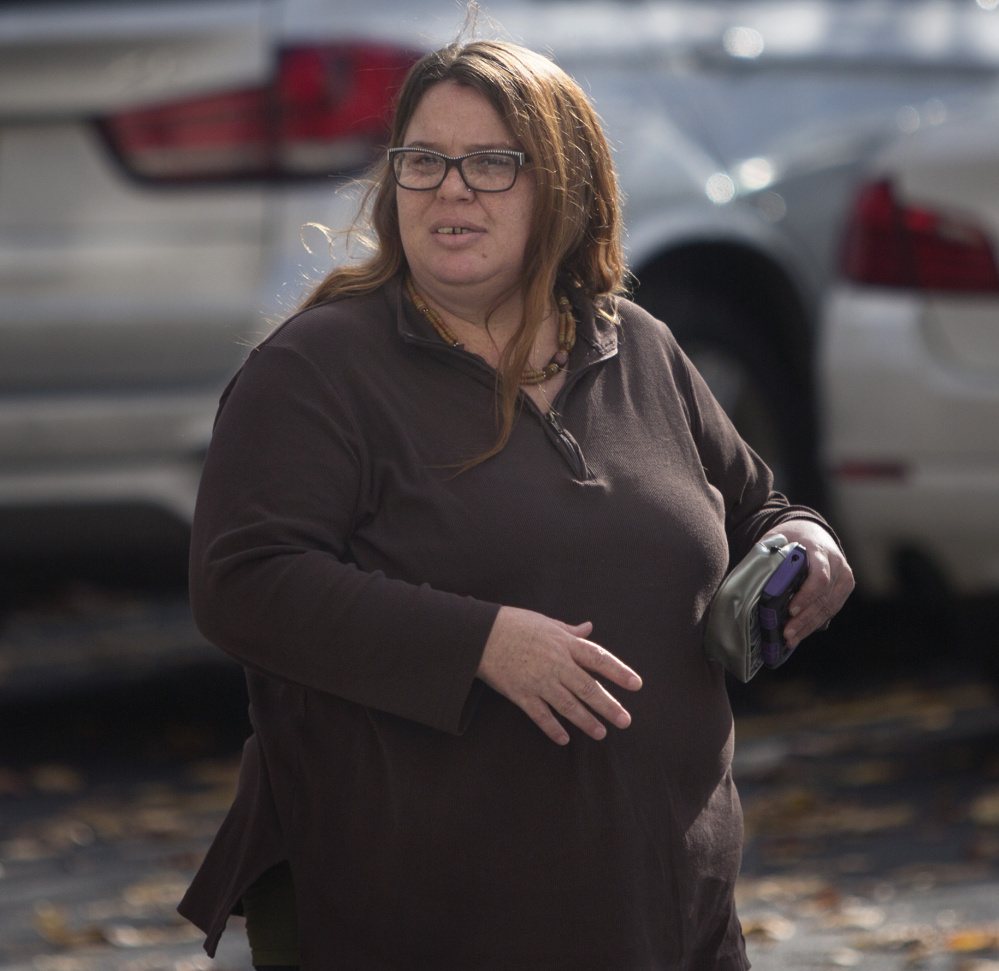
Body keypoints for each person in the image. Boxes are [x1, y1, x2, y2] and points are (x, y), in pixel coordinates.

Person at [178, 37, 854, 970]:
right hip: (426, 920)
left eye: (493, 162)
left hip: (672, 913)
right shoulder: (314, 372)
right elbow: (241, 583)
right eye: (423, 161)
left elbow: (759, 505)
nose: (451, 189)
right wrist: (481, 644)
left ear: (565, 187)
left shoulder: (641, 348)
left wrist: (806, 544)